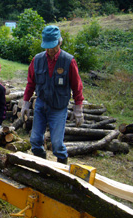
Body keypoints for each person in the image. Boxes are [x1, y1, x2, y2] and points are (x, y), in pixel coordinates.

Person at [21, 25, 84, 164]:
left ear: (59, 42)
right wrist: (25, 102)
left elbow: (77, 86)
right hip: (41, 104)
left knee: (56, 144)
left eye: (53, 46)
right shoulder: (37, 60)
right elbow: (31, 82)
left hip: (58, 107)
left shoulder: (68, 61)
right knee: (35, 140)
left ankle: (62, 169)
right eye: (47, 46)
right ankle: (43, 166)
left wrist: (78, 108)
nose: (50, 50)